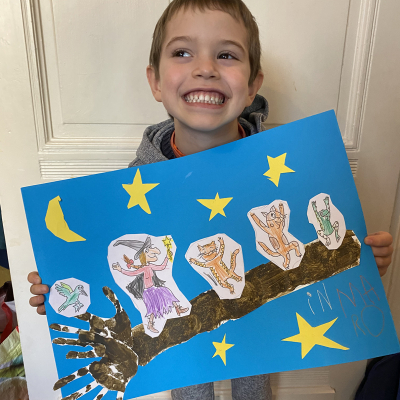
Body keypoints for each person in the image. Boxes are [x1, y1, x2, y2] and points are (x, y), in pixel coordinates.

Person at [28, 0, 394, 399]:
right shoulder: (133, 189)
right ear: (155, 81)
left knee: (253, 355)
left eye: (226, 55)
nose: (205, 68)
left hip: (258, 321)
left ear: (252, 85)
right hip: (183, 322)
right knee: (189, 364)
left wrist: (361, 257)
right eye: (183, 52)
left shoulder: (290, 173)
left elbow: (320, 238)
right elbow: (103, 267)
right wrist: (63, 291)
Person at [111, 236, 188, 333]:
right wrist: (120, 270)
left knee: (167, 292)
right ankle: (150, 324)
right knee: (153, 309)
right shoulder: (143, 268)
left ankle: (178, 308)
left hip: (154, 289)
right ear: (144, 255)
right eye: (148, 250)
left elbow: (161, 267)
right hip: (148, 292)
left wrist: (167, 258)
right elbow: (131, 273)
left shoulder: (150, 266)